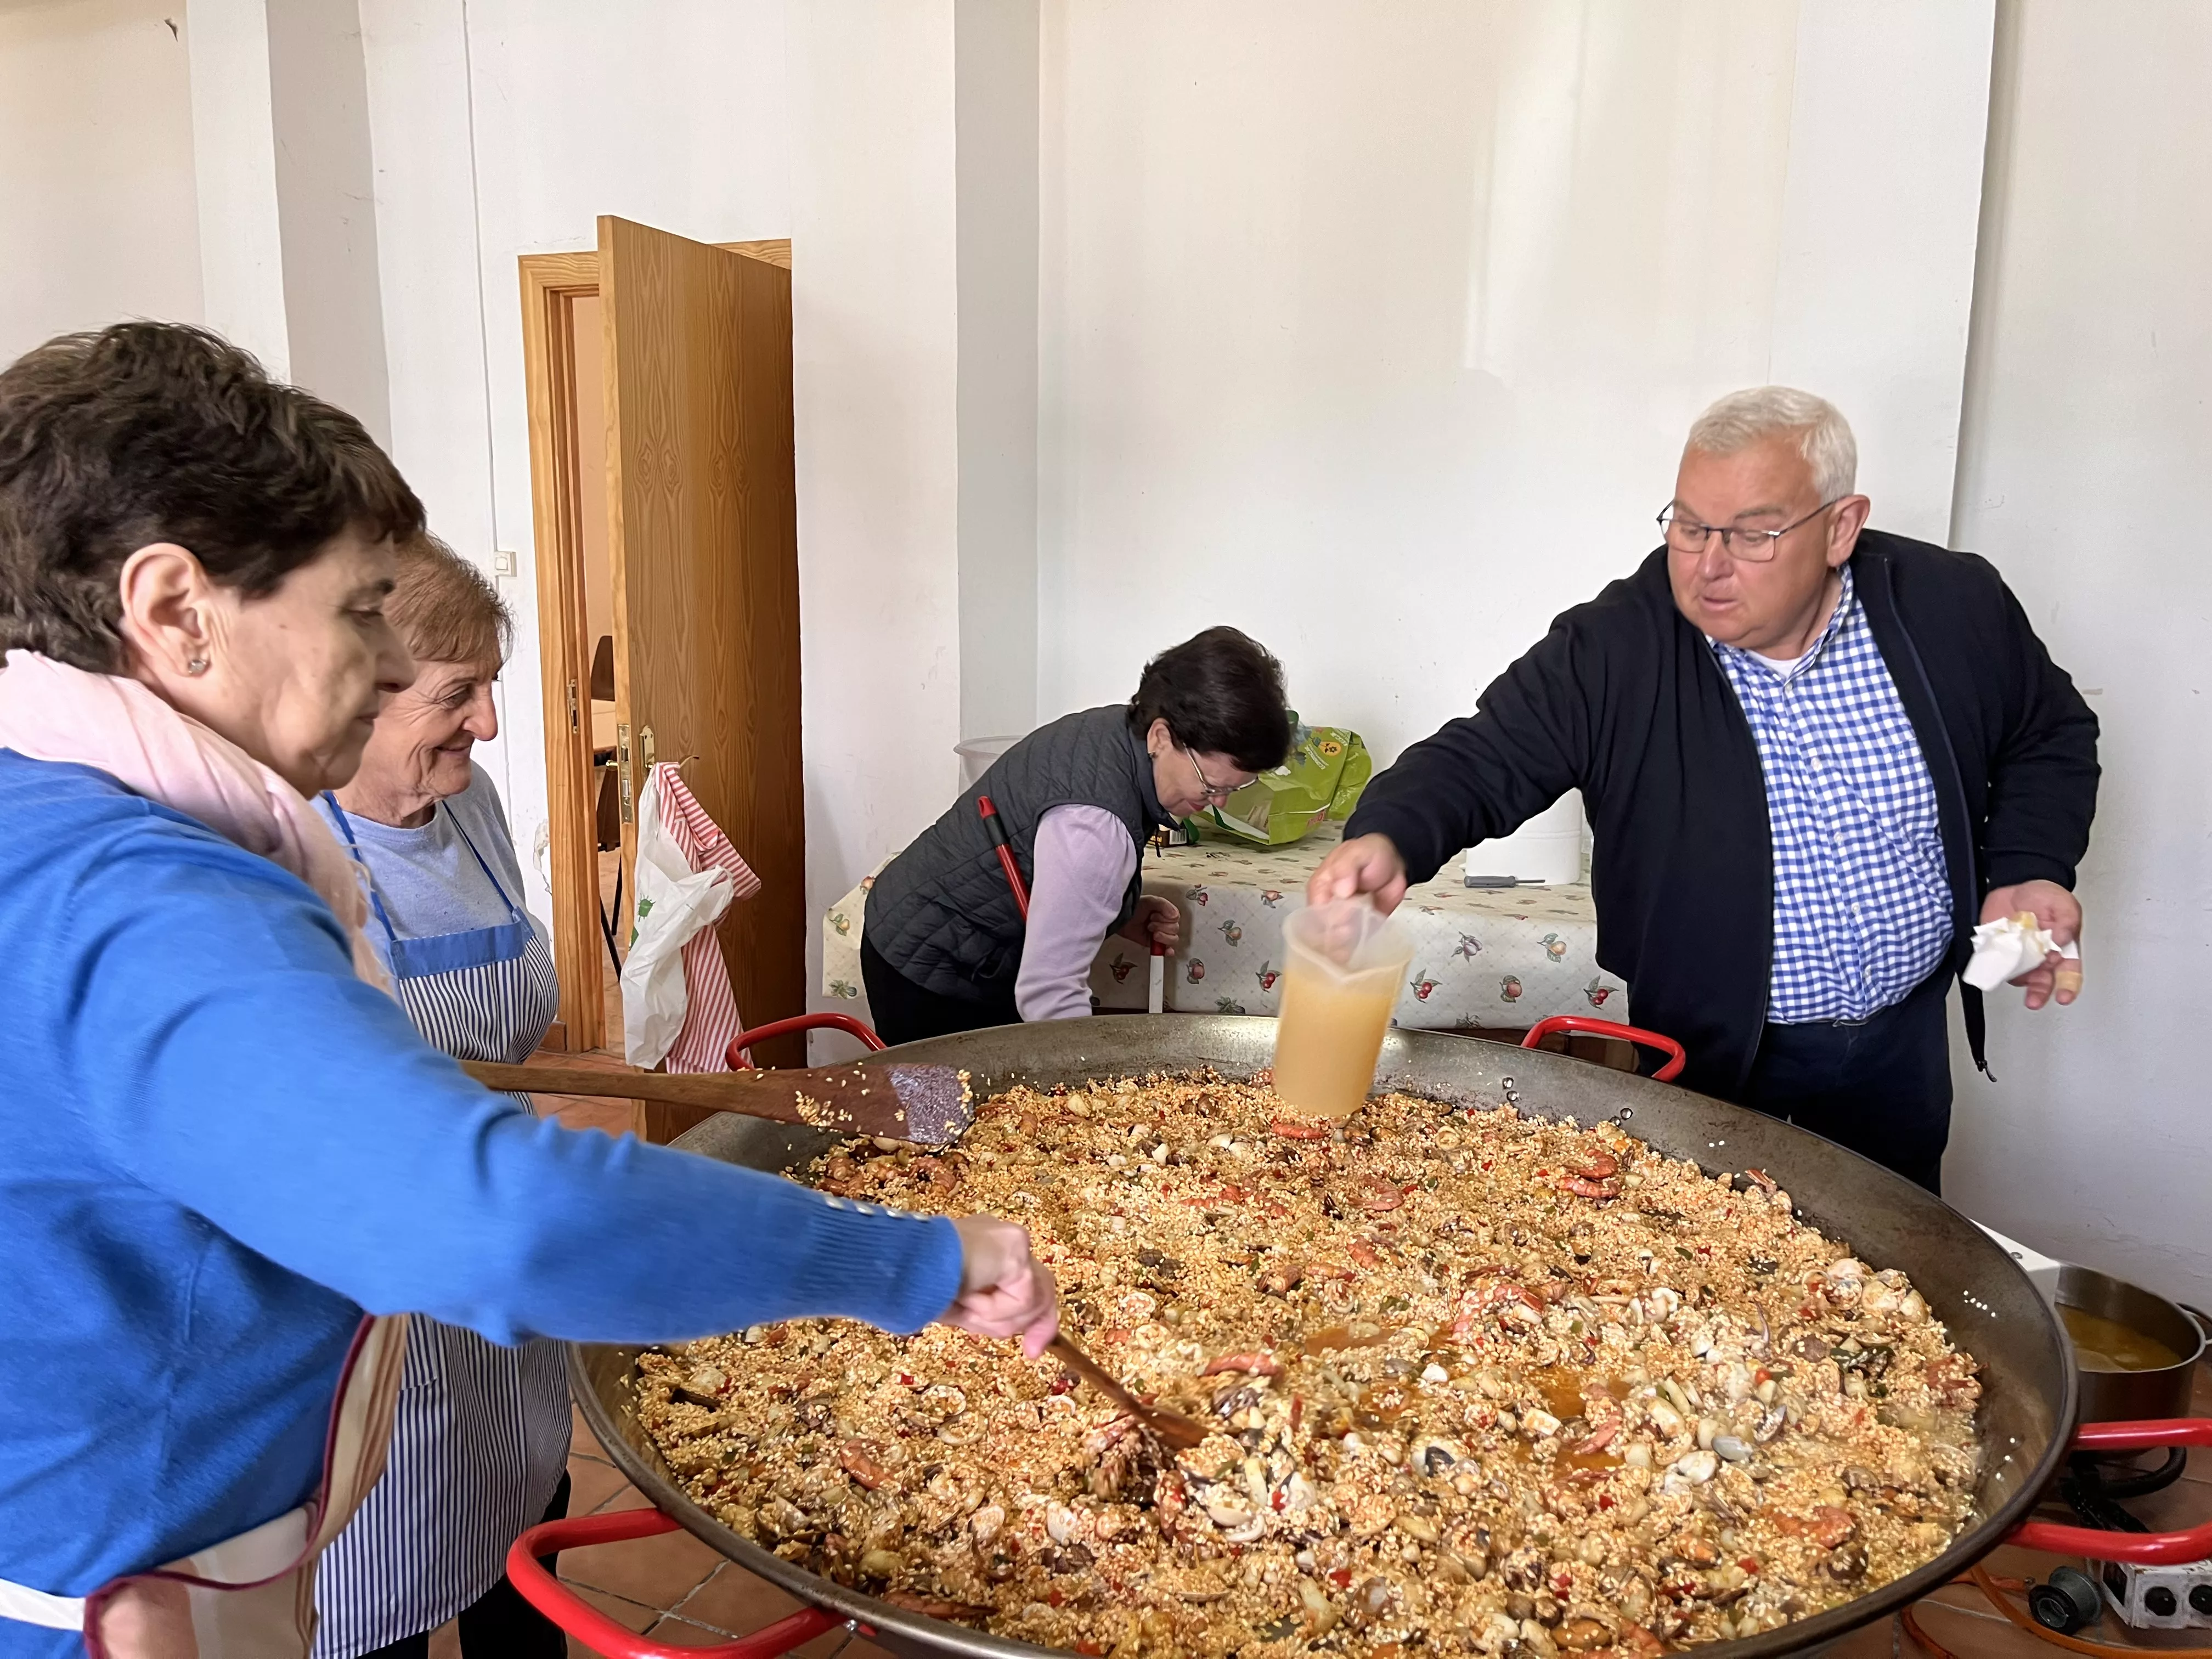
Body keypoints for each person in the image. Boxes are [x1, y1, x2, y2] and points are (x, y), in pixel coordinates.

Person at [0, 321, 1056, 1658]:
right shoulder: (134, 895)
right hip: (95, 1598)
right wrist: (908, 1259)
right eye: (360, 607)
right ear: (173, 611)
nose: (391, 663)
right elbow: (493, 1223)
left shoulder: (46, 814)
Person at [1312, 387, 2098, 1193]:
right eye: (1689, 526)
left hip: (1900, 1041)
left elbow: (2049, 733)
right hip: (1712, 1052)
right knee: (1704, 1279)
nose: (1707, 565)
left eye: (1754, 534)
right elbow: (1484, 755)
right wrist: (1390, 834)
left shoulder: (1951, 605)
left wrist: (2032, 868)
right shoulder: (1620, 645)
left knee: (1890, 1274)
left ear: (1840, 527)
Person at [305, 534, 565, 1658]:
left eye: (490, 690)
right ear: (362, 688)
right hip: (382, 1308)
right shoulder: (287, 854)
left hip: (509, 1278)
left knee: (527, 1568)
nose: (492, 727)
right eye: (460, 694)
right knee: (383, 1595)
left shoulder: (473, 806)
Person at [862, 627, 1292, 1044]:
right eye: (1211, 785)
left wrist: (1120, 911)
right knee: (953, 1114)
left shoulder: (1121, 729)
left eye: (1234, 789)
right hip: (931, 969)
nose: (1218, 803)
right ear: (1163, 735)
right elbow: (1050, 995)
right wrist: (1097, 1095)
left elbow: (1057, 870)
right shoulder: (1095, 827)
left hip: (934, 932)